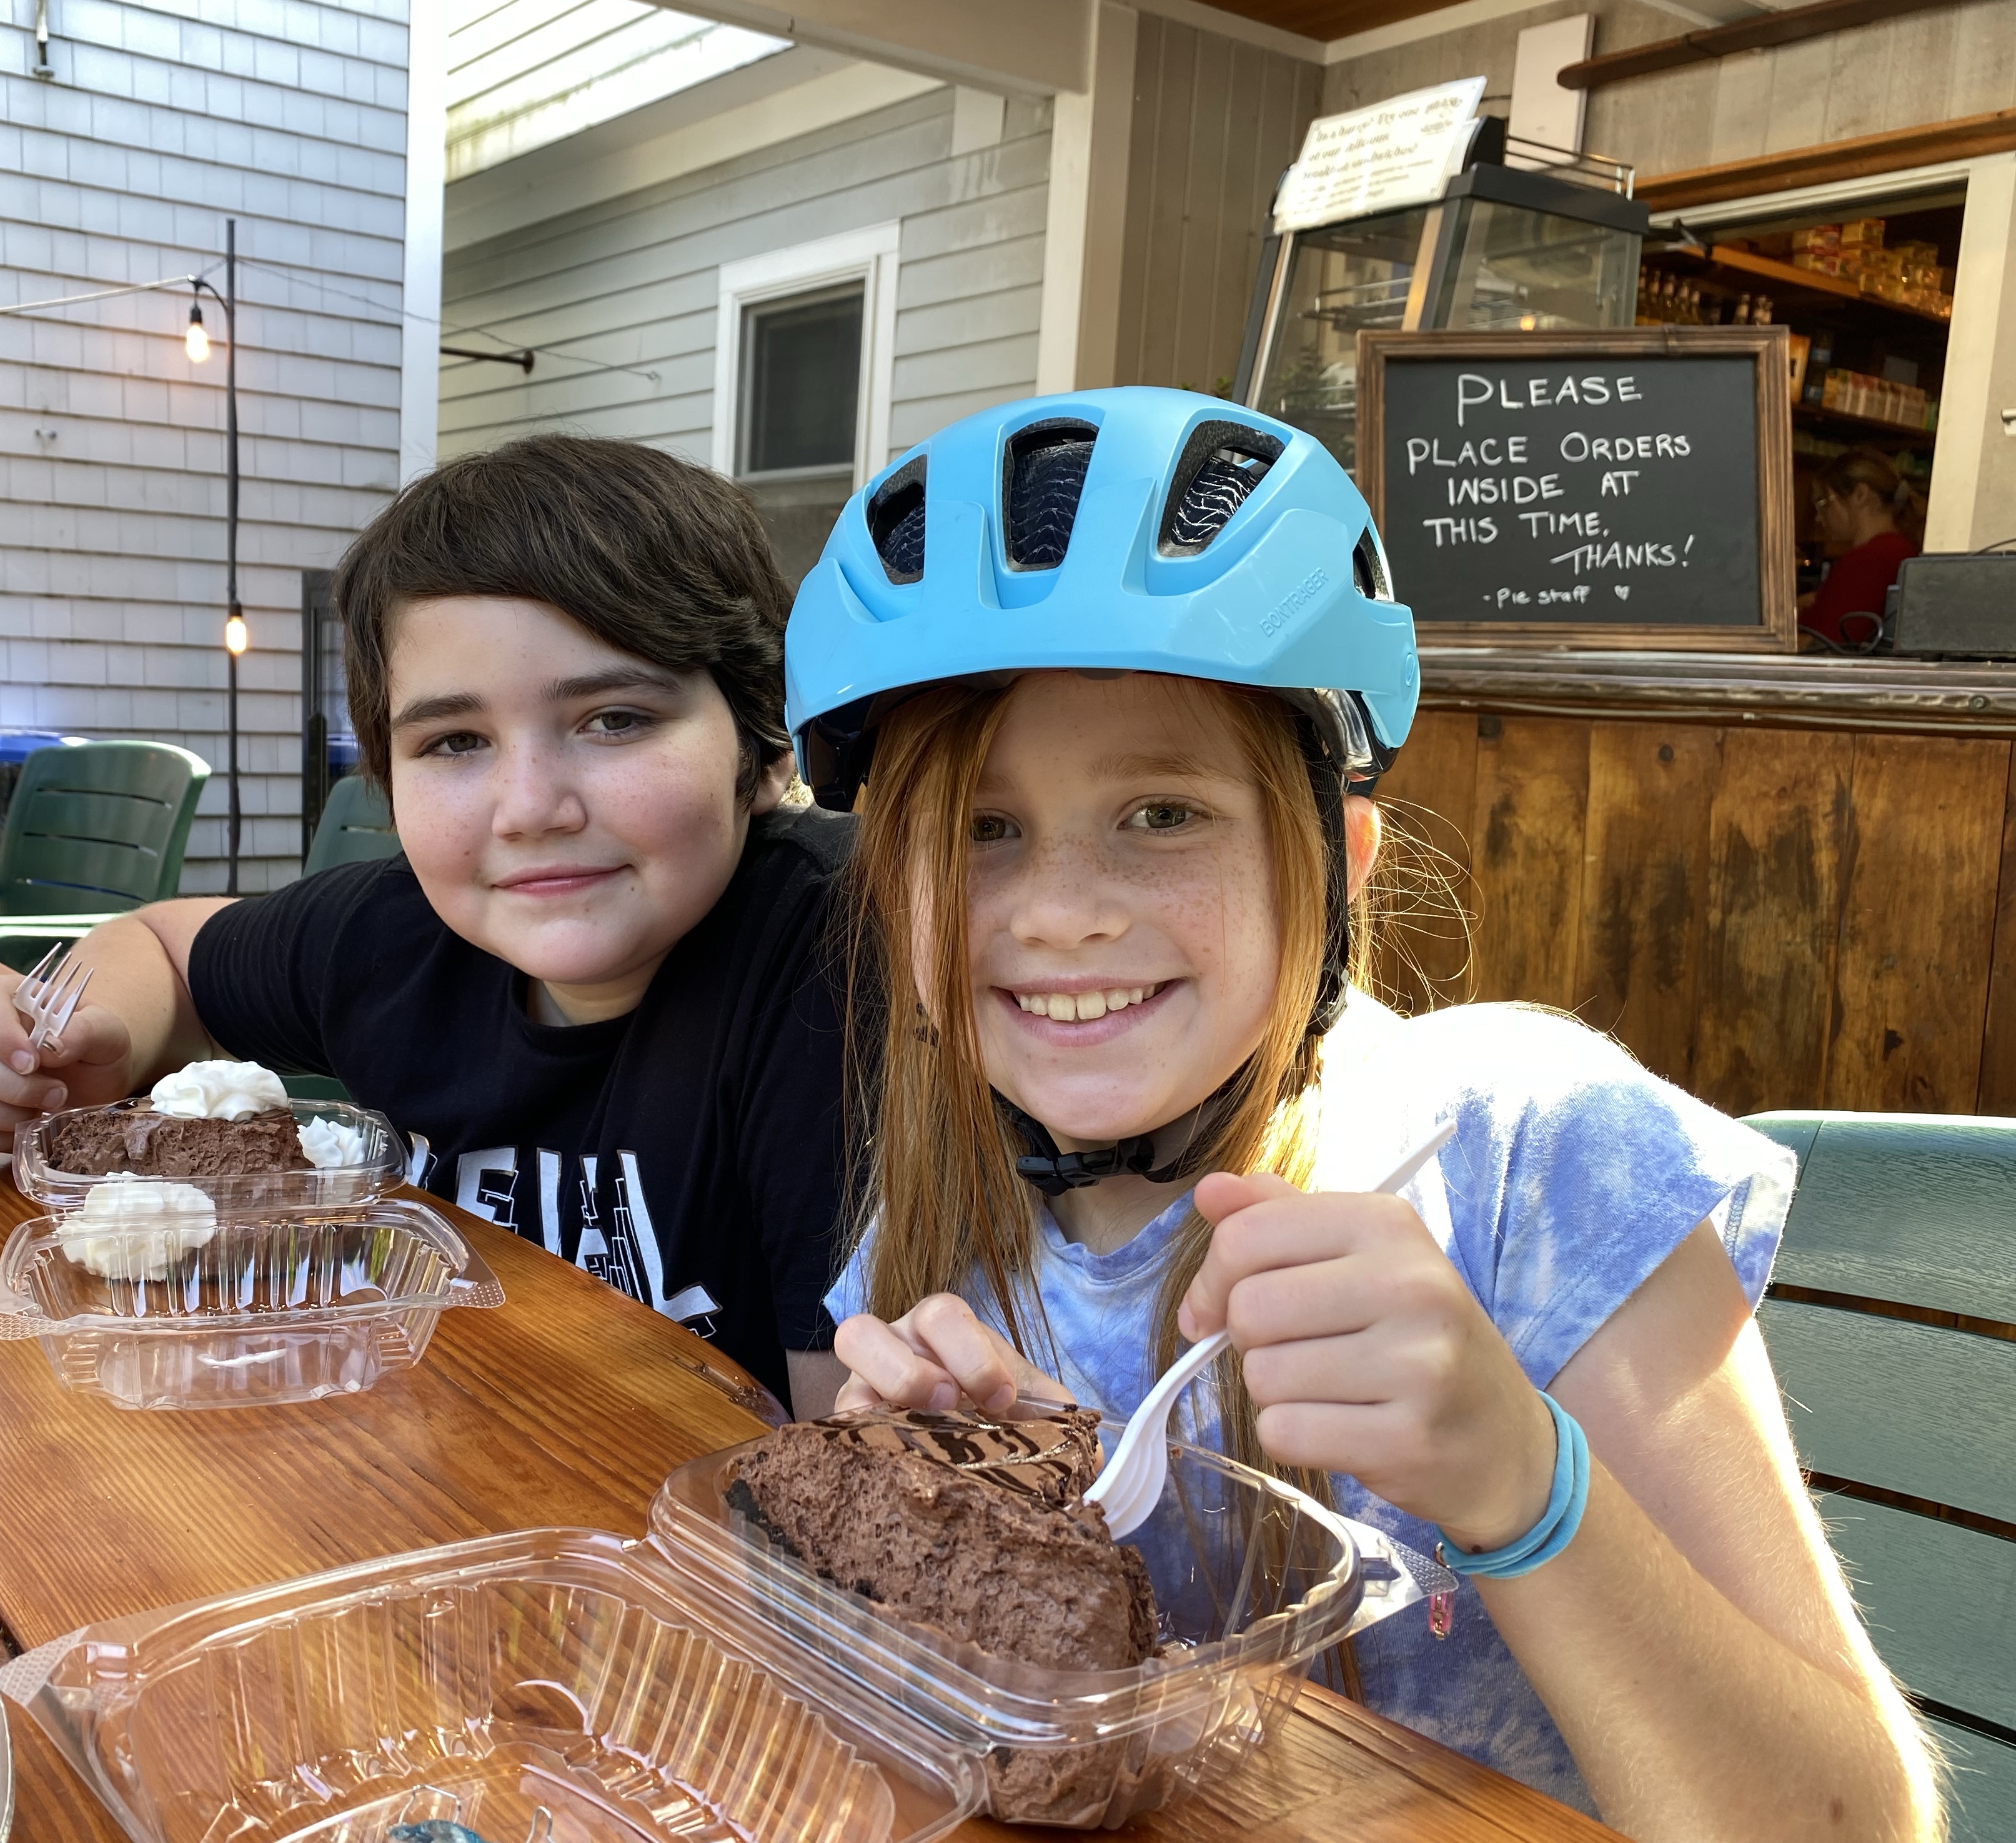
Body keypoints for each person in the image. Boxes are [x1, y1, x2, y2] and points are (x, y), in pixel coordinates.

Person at [789, 390, 1937, 1837]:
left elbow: (1863, 1820)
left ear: (1336, 864)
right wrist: (959, 1542)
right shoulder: (935, 1239)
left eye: (1161, 813)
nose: (1063, 914)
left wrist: (1521, 1480)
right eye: (980, 830)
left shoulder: (1532, 1158)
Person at [0, 435, 854, 1416]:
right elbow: (160, 943)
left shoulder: (839, 972)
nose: (529, 808)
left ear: (766, 749)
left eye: (615, 719)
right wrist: (93, 1046)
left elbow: (858, 1446)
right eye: (454, 741)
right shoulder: (391, 938)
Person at [1800, 447, 1924, 651]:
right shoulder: (1897, 549)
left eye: (1823, 502)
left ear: (1860, 494)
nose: (1819, 518)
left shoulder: (1871, 559)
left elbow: (1830, 645)